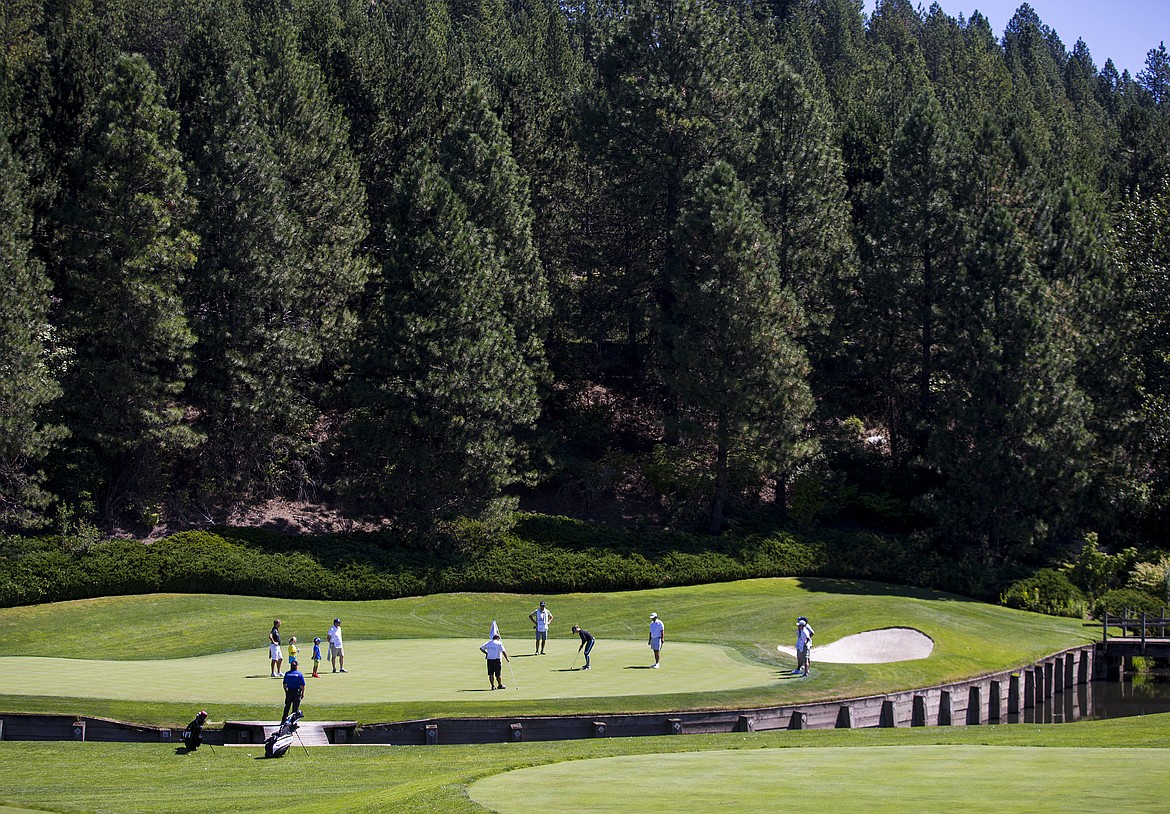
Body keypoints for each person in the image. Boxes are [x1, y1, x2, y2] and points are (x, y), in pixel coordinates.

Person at [282, 658, 306, 722]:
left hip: (289, 691)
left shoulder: (287, 674)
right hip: (296, 692)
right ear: (296, 667)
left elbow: (284, 684)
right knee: (295, 708)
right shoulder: (299, 674)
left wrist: (286, 691)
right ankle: (292, 722)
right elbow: (303, 685)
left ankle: (283, 721)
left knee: (287, 707)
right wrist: (302, 693)